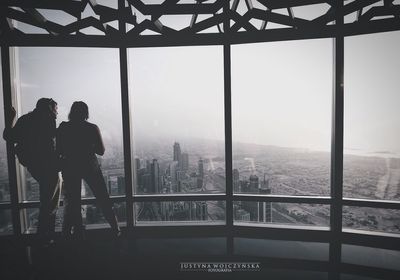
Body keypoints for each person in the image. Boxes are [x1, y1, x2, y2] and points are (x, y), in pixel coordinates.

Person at [57, 101, 120, 239]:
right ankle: (116, 229)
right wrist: (88, 146)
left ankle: (73, 233)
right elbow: (101, 151)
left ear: (71, 112)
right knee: (103, 198)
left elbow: (59, 150)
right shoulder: (92, 128)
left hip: (70, 167)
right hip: (89, 166)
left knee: (73, 202)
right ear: (86, 113)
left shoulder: (63, 128)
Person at [3, 98, 60, 242]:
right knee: (50, 205)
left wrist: (10, 119)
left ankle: (44, 237)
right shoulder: (47, 120)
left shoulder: (25, 119)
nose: (57, 112)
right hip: (48, 166)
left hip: (34, 166)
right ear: (48, 108)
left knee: (46, 201)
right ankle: (45, 237)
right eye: (55, 109)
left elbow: (8, 136)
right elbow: (53, 141)